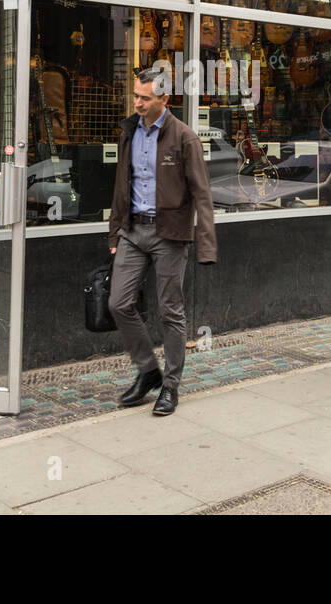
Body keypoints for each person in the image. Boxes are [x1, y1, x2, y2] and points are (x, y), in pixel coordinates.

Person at [107, 68, 217, 416]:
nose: (137, 103)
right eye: (135, 96)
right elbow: (121, 185)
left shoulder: (184, 138)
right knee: (118, 303)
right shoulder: (129, 132)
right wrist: (114, 231)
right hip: (132, 230)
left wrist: (206, 244)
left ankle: (170, 385)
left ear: (164, 100)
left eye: (145, 99)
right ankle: (148, 371)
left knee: (171, 311)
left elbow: (202, 194)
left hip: (169, 233)